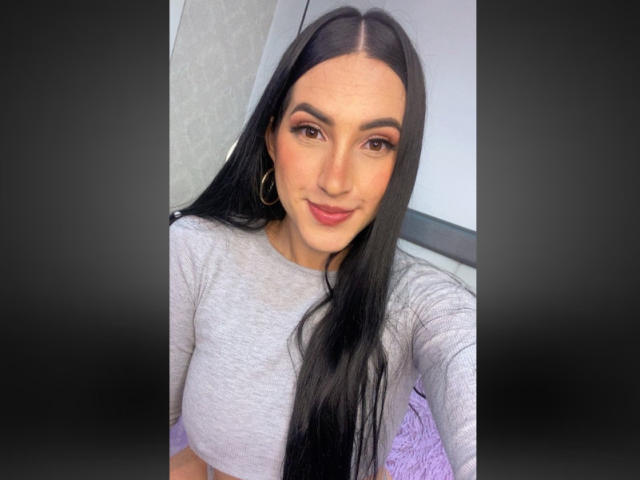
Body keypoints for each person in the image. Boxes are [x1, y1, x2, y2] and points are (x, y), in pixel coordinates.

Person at [169, 6, 476, 480]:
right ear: (272, 138)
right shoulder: (196, 250)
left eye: (376, 143)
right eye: (311, 131)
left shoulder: (418, 302)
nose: (335, 180)